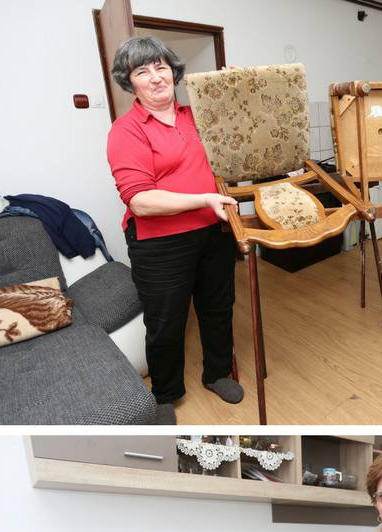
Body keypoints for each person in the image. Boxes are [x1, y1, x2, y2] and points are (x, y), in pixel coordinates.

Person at [105, 36, 242, 410]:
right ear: (129, 81)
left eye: (161, 67)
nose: (155, 77)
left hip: (215, 230)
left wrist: (230, 95)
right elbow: (140, 200)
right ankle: (166, 395)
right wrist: (204, 199)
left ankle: (217, 373)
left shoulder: (198, 115)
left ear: (174, 72)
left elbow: (238, 141)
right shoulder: (126, 130)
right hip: (160, 242)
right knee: (166, 322)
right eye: (142, 70)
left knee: (218, 308)